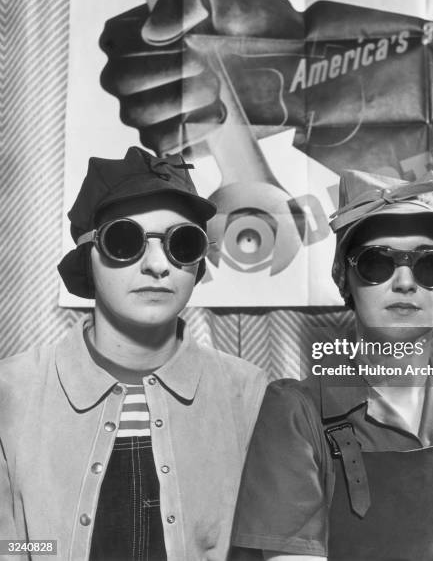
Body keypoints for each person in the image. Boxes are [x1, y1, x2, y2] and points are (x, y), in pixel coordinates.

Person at [231, 170, 433, 561]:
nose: (404, 282)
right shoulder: (296, 413)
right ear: (344, 278)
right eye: (376, 264)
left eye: (429, 265)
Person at [0, 146, 267, 560]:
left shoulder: (250, 394)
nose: (158, 265)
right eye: (125, 240)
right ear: (86, 258)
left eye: (183, 243)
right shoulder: (11, 391)